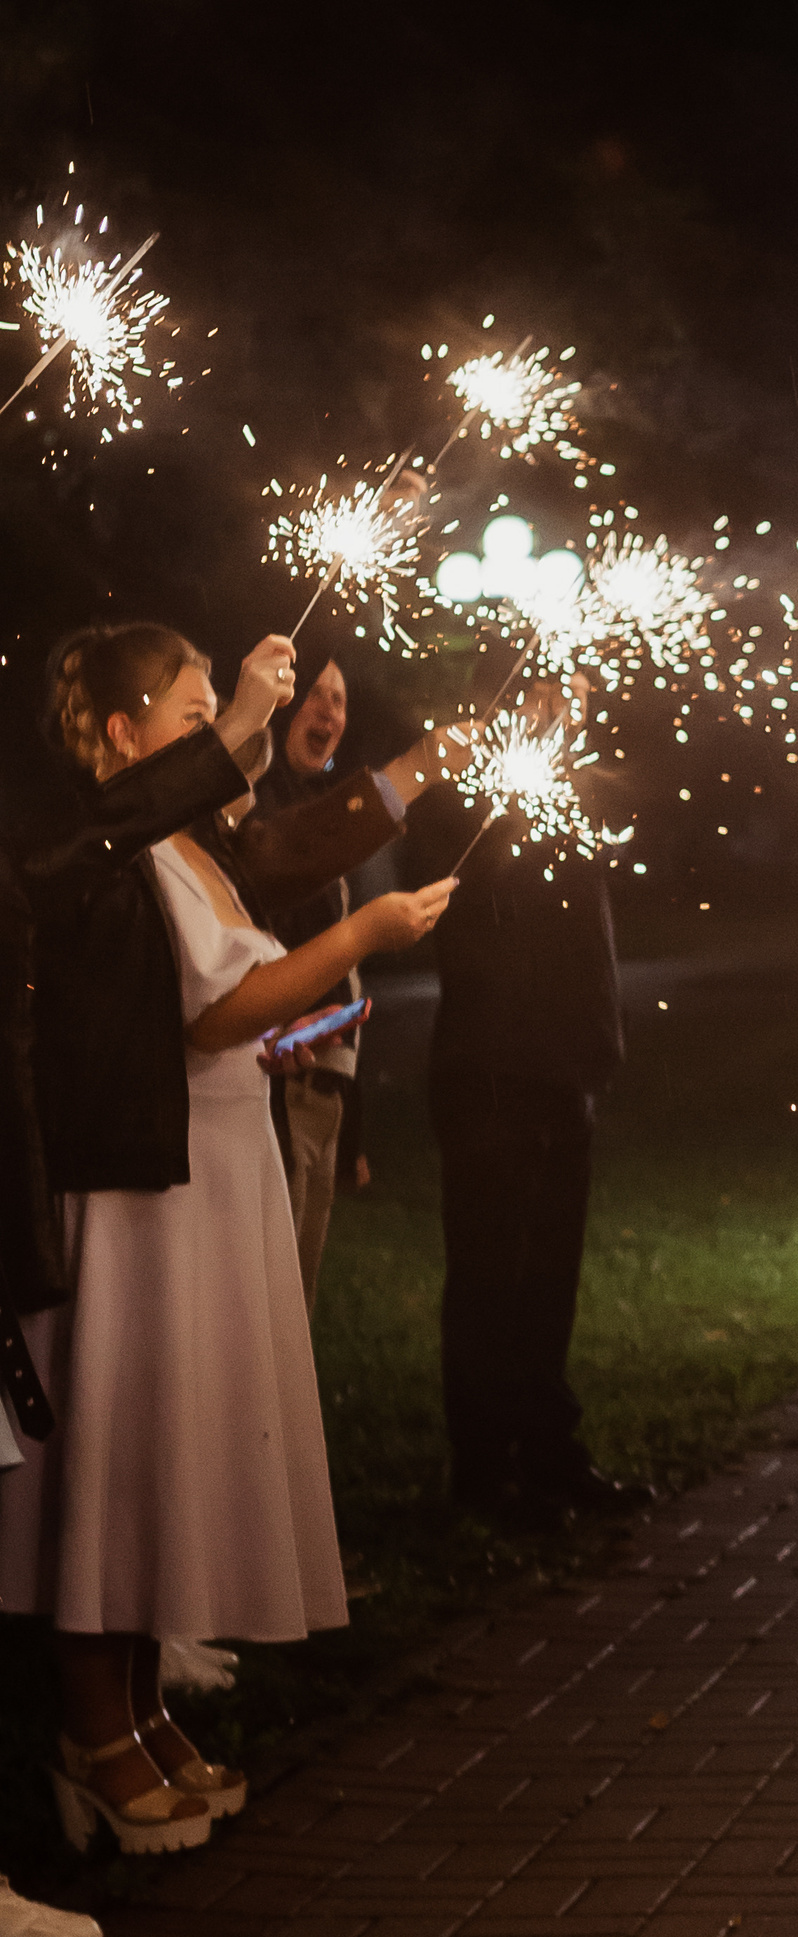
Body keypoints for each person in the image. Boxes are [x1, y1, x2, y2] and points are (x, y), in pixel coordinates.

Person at [0, 623, 452, 1856]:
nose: (228, 735)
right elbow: (210, 1013)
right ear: (122, 735)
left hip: (208, 1176)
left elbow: (218, 999)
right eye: (199, 715)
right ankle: (92, 1729)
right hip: (142, 1198)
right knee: (119, 1454)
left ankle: (143, 1709)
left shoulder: (194, 847)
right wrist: (356, 940)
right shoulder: (109, 849)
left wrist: (292, 1027)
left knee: (169, 1450)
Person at [407, 681, 650, 1525]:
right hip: (492, 1066)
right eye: (554, 691)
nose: (571, 706)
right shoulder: (466, 790)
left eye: (578, 693)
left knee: (548, 1273)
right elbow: (464, 872)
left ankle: (548, 1447)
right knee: (491, 1273)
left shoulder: (575, 785)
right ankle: (486, 1467)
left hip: (566, 1063)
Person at [247, 655, 473, 1308]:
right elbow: (289, 869)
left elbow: (339, 994)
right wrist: (417, 767)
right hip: (270, 1092)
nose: (327, 711)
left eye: (339, 699)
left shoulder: (314, 806)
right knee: (267, 1309)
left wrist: (349, 1132)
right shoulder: (257, 809)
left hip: (321, 1093)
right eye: (312, 692)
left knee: (296, 1306)